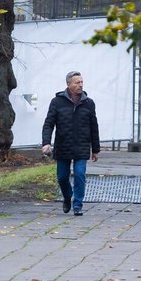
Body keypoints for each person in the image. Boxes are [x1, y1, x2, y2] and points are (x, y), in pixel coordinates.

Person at [41, 70, 100, 215]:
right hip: (63, 146)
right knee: (62, 177)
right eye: (77, 82)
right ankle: (67, 197)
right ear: (68, 84)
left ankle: (78, 205)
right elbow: (49, 124)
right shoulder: (57, 102)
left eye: (81, 82)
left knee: (80, 175)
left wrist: (96, 149)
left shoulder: (88, 103)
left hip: (81, 146)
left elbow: (94, 126)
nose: (80, 85)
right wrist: (46, 142)